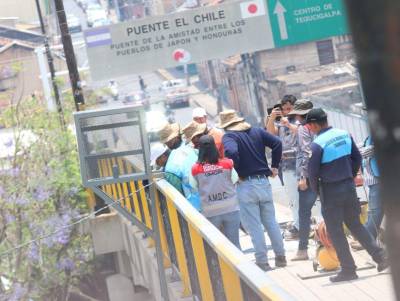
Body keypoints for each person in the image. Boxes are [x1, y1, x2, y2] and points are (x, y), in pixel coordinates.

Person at [307, 108, 388, 282]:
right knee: (355, 225)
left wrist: (316, 192)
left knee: (335, 231)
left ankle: (349, 269)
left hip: (330, 191)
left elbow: (312, 174)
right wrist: (349, 176)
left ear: (313, 124)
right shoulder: (344, 134)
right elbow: (357, 158)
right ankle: (381, 257)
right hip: (348, 187)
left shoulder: (317, 144)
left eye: (309, 125)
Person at [220, 110, 285, 271]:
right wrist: (275, 166)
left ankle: (262, 262)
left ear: (226, 125)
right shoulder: (256, 131)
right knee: (271, 221)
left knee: (254, 225)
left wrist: (237, 171)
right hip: (263, 182)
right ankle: (280, 256)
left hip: (246, 185)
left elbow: (232, 152)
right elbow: (277, 143)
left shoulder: (229, 136)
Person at [190, 135, 241, 249]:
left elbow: (193, 187)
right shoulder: (227, 163)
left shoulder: (195, 169)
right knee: (235, 245)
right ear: (214, 147)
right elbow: (235, 179)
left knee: (217, 248)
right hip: (231, 209)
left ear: (200, 149)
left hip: (210, 212)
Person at [286, 99, 319, 261]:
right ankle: (330, 243)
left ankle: (303, 250)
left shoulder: (302, 130)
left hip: (309, 177)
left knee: (304, 213)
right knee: (328, 210)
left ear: (300, 115)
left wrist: (303, 177)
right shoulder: (319, 127)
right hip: (323, 174)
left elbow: (306, 153)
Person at [266, 95, 299, 239]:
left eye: (290, 108)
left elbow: (302, 132)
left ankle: (302, 224)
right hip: (285, 165)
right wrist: (272, 118)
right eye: (285, 109)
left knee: (305, 197)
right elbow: (270, 134)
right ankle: (298, 224)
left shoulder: (299, 120)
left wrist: (288, 124)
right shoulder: (280, 123)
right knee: (292, 197)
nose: (287, 112)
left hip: (299, 163)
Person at [158, 123, 200, 210]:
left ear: (175, 138)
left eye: (167, 142)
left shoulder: (172, 164)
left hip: (193, 206)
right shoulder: (191, 149)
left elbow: (177, 194)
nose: (167, 144)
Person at [360, 135, 383, 240]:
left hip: (379, 179)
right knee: (373, 210)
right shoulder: (369, 136)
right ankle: (367, 238)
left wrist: (354, 151)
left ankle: (368, 240)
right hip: (373, 179)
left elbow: (371, 149)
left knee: (375, 210)